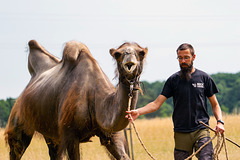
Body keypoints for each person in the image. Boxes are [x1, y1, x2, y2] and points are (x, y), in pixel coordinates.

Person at [126, 43, 225, 160]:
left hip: (201, 130)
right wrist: (138, 111)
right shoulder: (173, 80)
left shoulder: (204, 78)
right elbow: (156, 104)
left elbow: (215, 104)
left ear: (193, 57)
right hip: (181, 132)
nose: (183, 61)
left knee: (206, 158)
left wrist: (220, 122)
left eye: (186, 57)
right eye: (180, 58)